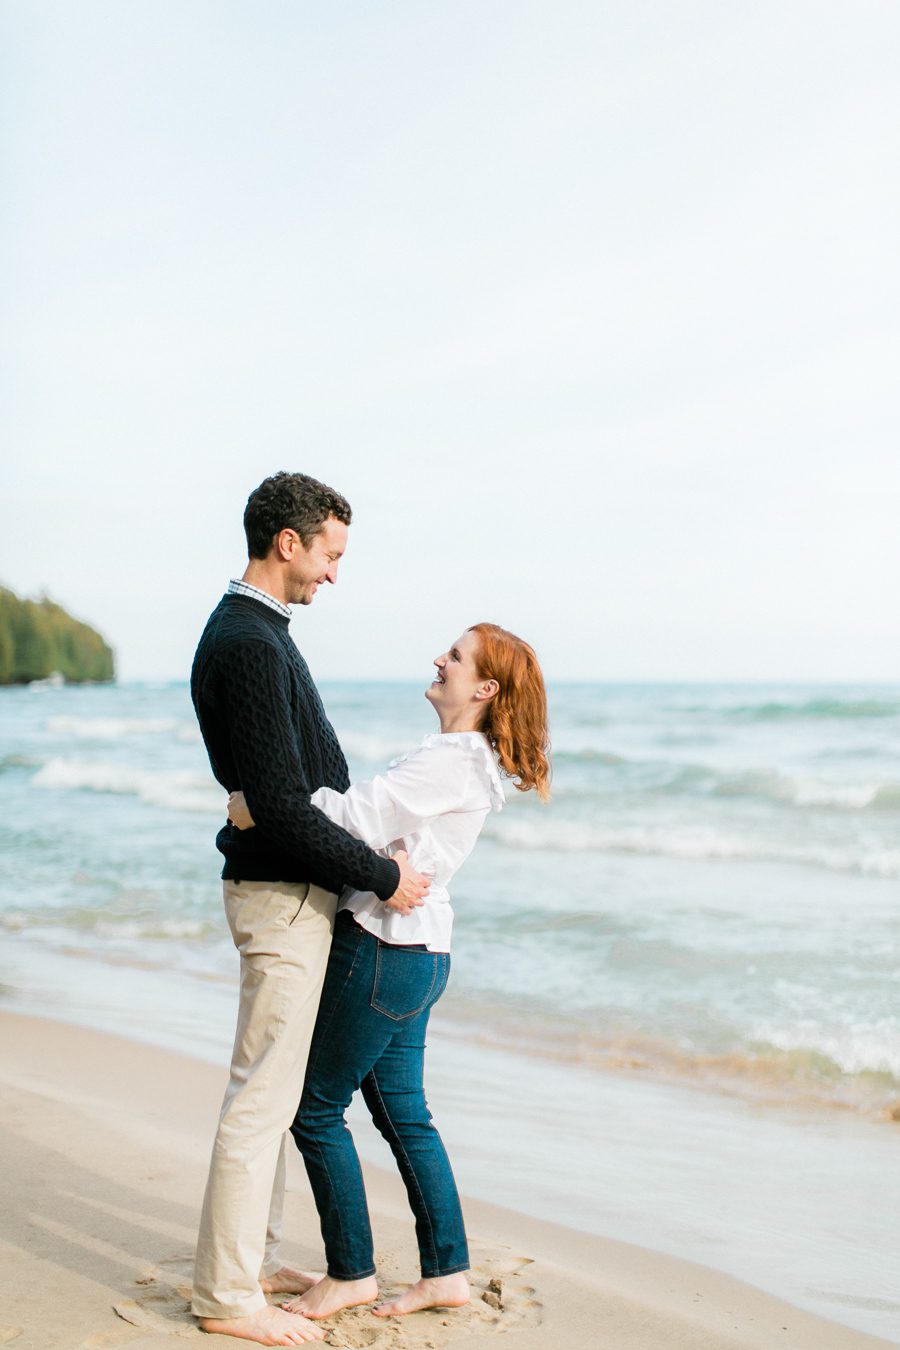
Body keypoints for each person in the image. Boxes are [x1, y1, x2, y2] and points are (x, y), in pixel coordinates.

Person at [227, 622, 550, 1321]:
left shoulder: (451, 762)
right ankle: (447, 1271)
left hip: (382, 949)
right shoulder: (464, 761)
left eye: (456, 657)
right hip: (422, 956)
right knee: (406, 1116)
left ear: (485, 688)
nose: (440, 659)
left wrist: (265, 805)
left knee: (314, 1109)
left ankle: (351, 1272)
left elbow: (354, 816)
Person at [190, 471, 430, 1347]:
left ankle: (246, 1259)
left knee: (275, 1088)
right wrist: (382, 873)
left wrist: (365, 845)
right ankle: (225, 1296)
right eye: (329, 553)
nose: (335, 573)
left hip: (290, 890)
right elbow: (286, 806)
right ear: (286, 542)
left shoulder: (261, 632)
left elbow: (289, 789)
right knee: (262, 1096)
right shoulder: (250, 641)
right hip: (279, 898)